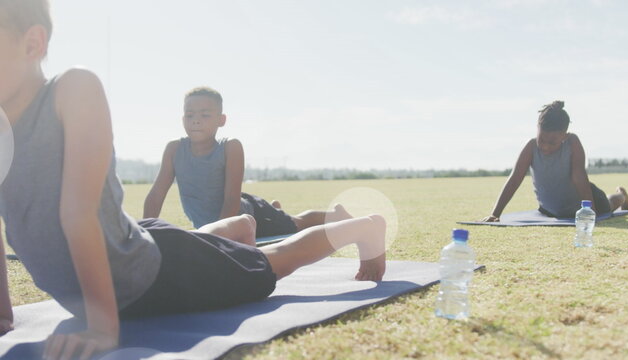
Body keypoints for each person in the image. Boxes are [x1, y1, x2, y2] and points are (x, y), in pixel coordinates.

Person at [0, 1, 386, 359]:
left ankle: (366, 228)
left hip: (157, 272)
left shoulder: (72, 88)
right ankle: (236, 227)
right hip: (132, 240)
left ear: (32, 43)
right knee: (198, 242)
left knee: (273, 261)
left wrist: (103, 327)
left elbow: (77, 213)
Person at [143, 87, 353, 240]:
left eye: (205, 115)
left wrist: (220, 238)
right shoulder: (174, 150)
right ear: (182, 119)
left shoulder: (230, 147)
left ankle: (335, 215)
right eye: (190, 115)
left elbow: (232, 198)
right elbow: (156, 195)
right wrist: (147, 232)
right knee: (284, 219)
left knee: (295, 225)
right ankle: (275, 209)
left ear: (221, 120)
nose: (196, 120)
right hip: (219, 226)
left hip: (248, 217)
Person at [482, 101, 628, 222]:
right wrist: (495, 214)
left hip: (583, 202)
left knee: (610, 203)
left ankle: (622, 195)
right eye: (542, 140)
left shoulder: (572, 141)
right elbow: (515, 179)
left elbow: (579, 177)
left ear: (564, 136)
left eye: (553, 142)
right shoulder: (531, 147)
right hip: (550, 209)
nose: (546, 147)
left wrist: (591, 212)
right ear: (537, 129)